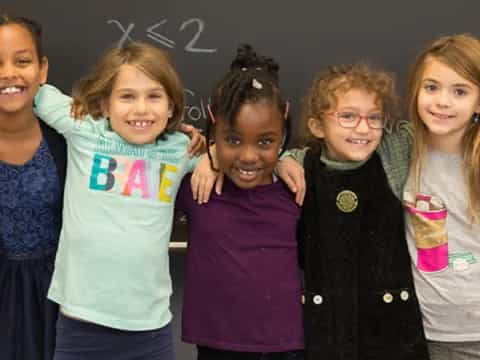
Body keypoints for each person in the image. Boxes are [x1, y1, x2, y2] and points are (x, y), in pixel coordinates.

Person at [33, 41, 204, 360]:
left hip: (150, 331)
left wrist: (285, 158)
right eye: (127, 96)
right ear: (105, 104)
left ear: (171, 107)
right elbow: (36, 91)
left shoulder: (181, 149)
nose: (141, 109)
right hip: (81, 327)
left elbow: (236, 158)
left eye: (154, 96)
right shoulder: (83, 129)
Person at [274, 63, 430, 359]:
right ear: (317, 126)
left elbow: (442, 126)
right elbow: (253, 157)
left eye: (374, 118)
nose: (363, 128)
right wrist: (281, 160)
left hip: (394, 332)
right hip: (326, 332)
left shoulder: (393, 154)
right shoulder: (298, 168)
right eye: (347, 117)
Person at [177, 44, 304, 360]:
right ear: (213, 127)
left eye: (265, 141)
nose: (248, 156)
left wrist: (286, 159)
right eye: (232, 140)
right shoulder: (198, 186)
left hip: (288, 345)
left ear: (284, 129)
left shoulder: (296, 187)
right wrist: (203, 158)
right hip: (218, 345)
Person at [403, 33, 480, 359]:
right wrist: (287, 160)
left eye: (459, 91)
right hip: (425, 331)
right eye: (431, 87)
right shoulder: (399, 153)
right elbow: (332, 153)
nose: (442, 101)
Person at [0, 11, 66, 360]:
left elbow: (137, 143)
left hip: (62, 300)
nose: (8, 73)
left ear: (42, 70)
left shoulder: (70, 142)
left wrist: (199, 151)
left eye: (21, 61)